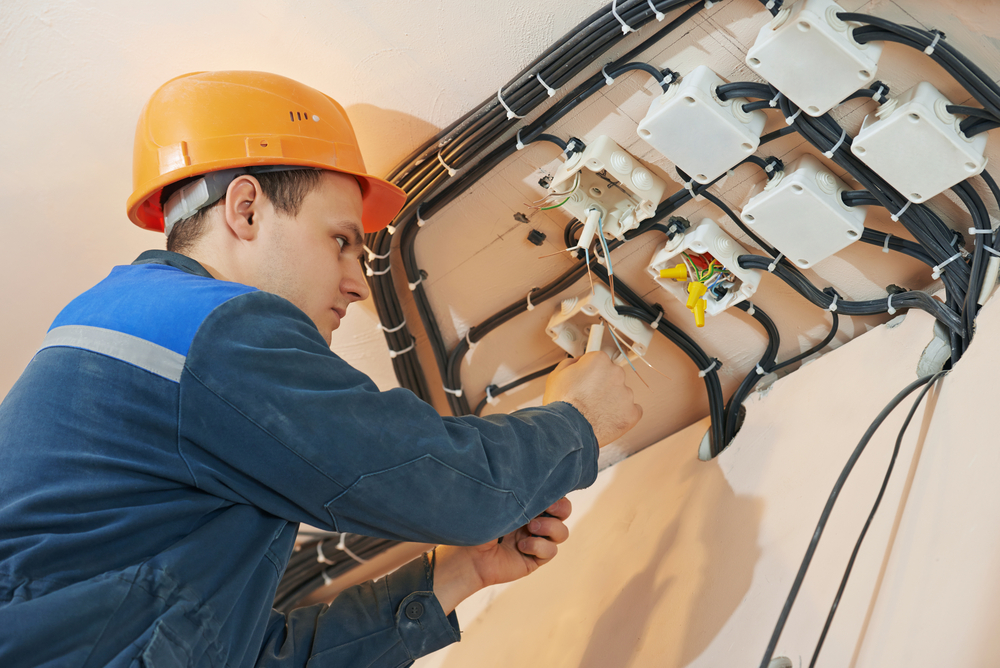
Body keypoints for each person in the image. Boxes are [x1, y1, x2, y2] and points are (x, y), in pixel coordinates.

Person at [0, 71, 642, 667]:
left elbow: (246, 654)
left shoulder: (126, 333)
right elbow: (446, 487)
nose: (357, 284)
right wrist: (578, 420)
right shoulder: (206, 329)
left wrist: (456, 575)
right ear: (246, 209)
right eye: (340, 240)